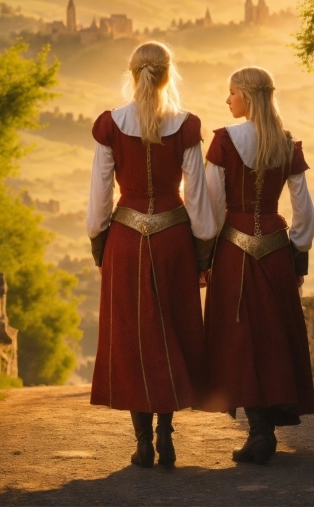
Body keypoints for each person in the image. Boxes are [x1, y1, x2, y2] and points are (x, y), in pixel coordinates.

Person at [87, 41, 217, 468]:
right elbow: (196, 196)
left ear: (132, 74)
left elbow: (100, 194)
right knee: (172, 333)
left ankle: (142, 441)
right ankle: (165, 433)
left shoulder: (110, 124)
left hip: (125, 240)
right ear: (166, 75)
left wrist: (98, 239)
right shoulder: (184, 125)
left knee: (133, 339)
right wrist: (203, 246)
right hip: (174, 239)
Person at [203, 66, 314, 464]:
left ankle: (259, 432)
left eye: (231, 92)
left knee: (239, 338)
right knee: (272, 336)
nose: (227, 99)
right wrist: (297, 252)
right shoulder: (286, 144)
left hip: (233, 250)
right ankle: (262, 430)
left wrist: (206, 253)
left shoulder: (223, 142)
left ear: (247, 98)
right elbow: (303, 208)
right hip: (274, 250)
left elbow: (213, 208)